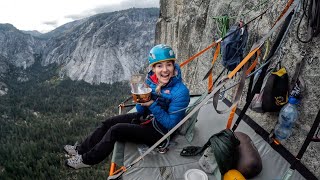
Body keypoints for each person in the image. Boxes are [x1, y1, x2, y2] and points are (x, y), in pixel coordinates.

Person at [64, 44, 190, 169]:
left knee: (116, 130)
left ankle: (87, 160)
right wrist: (140, 99)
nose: (165, 70)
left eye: (169, 64)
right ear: (154, 68)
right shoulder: (151, 81)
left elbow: (171, 125)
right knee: (108, 122)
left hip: (160, 132)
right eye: (159, 65)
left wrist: (151, 104)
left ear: (174, 66)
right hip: (148, 117)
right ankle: (80, 150)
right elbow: (141, 111)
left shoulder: (181, 92)